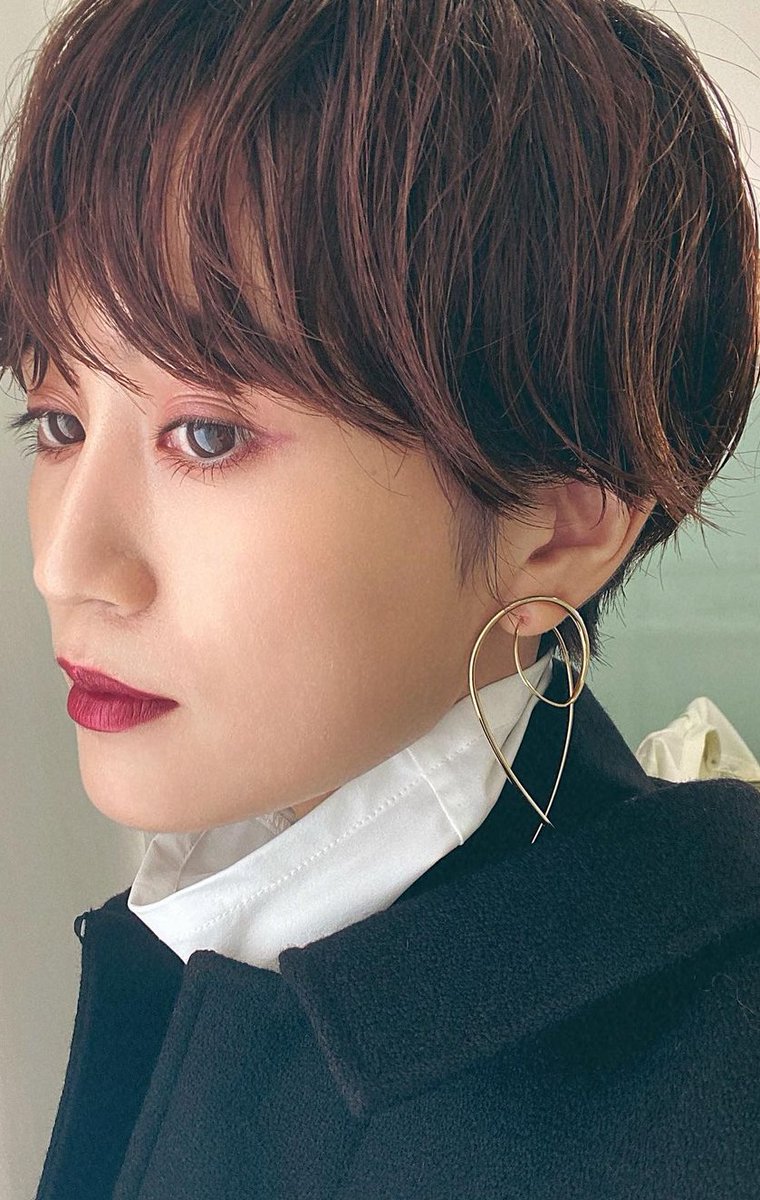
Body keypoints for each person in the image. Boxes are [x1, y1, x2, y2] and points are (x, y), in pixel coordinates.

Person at [2, 1, 759, 1197]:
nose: (66, 564)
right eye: (56, 422)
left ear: (558, 526)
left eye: (206, 434)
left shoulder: (709, 1096)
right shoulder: (223, 905)